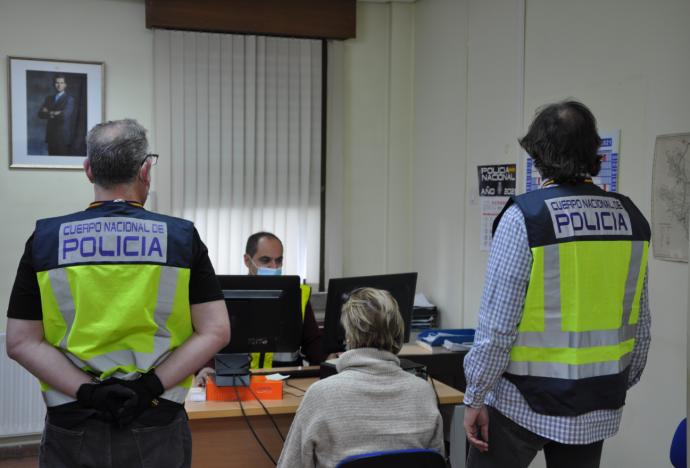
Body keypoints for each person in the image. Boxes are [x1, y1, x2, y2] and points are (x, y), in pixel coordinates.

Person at [6, 119, 230, 468]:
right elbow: (215, 330)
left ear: (88, 169)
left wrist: (89, 391)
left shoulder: (46, 239)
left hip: (73, 419)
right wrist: (149, 388)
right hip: (156, 417)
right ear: (145, 170)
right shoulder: (181, 238)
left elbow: (20, 341)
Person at [463, 100, 651, 468]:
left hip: (522, 403)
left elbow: (497, 328)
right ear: (594, 154)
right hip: (597, 403)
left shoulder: (526, 218)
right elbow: (641, 327)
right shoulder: (631, 219)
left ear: (539, 156)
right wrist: (614, 385)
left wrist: (475, 395)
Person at [277, 287, 444, 468]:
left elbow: (290, 464)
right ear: (398, 332)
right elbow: (436, 460)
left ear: (348, 335)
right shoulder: (423, 392)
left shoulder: (321, 395)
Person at [243, 231, 323, 368]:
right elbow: (214, 342)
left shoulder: (297, 294)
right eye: (265, 260)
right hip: (240, 380)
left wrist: (330, 358)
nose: (274, 267)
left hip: (287, 380)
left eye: (279, 260)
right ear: (247, 261)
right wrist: (207, 368)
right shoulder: (229, 294)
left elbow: (312, 343)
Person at [38, 75, 77, 155]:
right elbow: (40, 114)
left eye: (61, 83)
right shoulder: (49, 98)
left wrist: (48, 112)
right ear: (54, 84)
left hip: (63, 138)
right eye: (57, 83)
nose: (59, 85)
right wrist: (55, 113)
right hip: (51, 137)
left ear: (65, 85)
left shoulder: (69, 99)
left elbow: (64, 116)